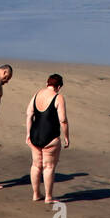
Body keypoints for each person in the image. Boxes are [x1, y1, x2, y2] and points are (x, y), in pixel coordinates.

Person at [25, 73, 69, 204]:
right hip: (50, 137)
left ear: (47, 84)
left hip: (35, 135)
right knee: (48, 167)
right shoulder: (58, 97)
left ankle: (36, 194)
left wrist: (28, 133)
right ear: (59, 87)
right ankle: (48, 197)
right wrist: (66, 136)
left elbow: (29, 114)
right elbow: (63, 120)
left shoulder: (37, 94)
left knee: (36, 165)